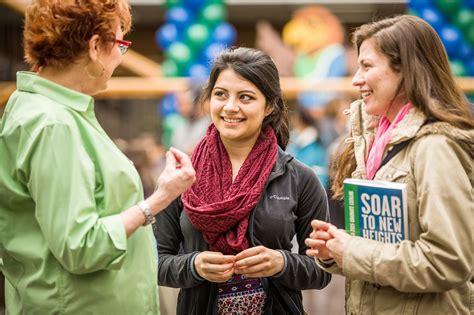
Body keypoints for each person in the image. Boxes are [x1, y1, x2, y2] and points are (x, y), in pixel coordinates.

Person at [0, 1, 195, 314]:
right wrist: (158, 199)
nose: (120, 56)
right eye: (120, 43)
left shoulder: (40, 108)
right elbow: (81, 247)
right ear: (94, 46)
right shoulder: (54, 124)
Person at [305, 15, 473, 314]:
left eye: (366, 66)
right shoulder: (373, 142)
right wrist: (336, 248)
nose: (355, 79)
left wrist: (352, 251)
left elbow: (448, 262)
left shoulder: (436, 148)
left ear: (405, 71)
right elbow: (386, 248)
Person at [154, 47, 331, 314]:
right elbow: (155, 262)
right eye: (220, 95)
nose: (230, 107)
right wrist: (194, 266)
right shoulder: (183, 174)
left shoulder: (300, 179)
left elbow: (322, 269)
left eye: (246, 97)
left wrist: (281, 263)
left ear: (269, 105)